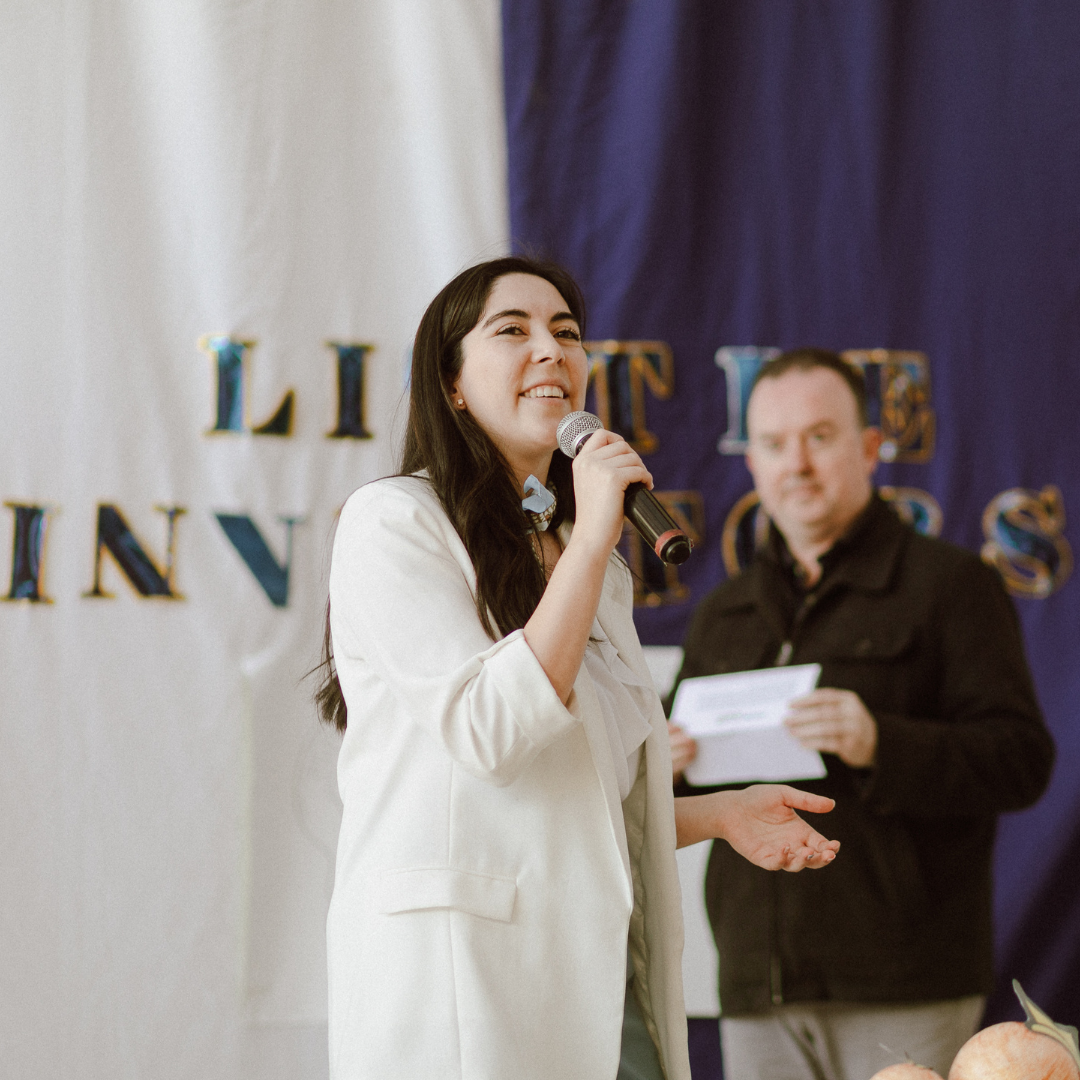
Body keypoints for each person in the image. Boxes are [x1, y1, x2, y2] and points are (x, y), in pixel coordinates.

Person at [315, 260, 841, 1080]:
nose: (551, 350)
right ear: (452, 383)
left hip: (598, 975)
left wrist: (720, 813)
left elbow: (583, 798)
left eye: (566, 332)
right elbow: (493, 733)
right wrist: (594, 534)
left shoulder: (591, 566)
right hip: (464, 984)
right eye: (513, 330)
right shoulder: (393, 522)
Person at [671, 348, 1055, 1080]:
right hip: (758, 983)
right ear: (751, 462)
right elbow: (677, 800)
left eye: (820, 437)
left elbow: (1021, 760)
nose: (798, 464)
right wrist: (660, 760)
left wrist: (882, 741)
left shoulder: (951, 586)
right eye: (774, 444)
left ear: (870, 448)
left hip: (906, 979)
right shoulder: (724, 613)